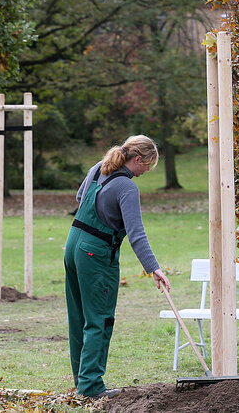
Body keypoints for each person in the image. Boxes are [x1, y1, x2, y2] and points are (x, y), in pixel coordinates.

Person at [64, 135, 171, 399]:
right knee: (99, 318)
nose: (147, 172)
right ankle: (90, 388)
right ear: (137, 159)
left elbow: (81, 197)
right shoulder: (127, 187)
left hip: (73, 244)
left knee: (79, 317)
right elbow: (136, 233)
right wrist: (153, 267)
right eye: (148, 166)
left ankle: (82, 382)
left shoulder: (98, 168)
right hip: (96, 254)